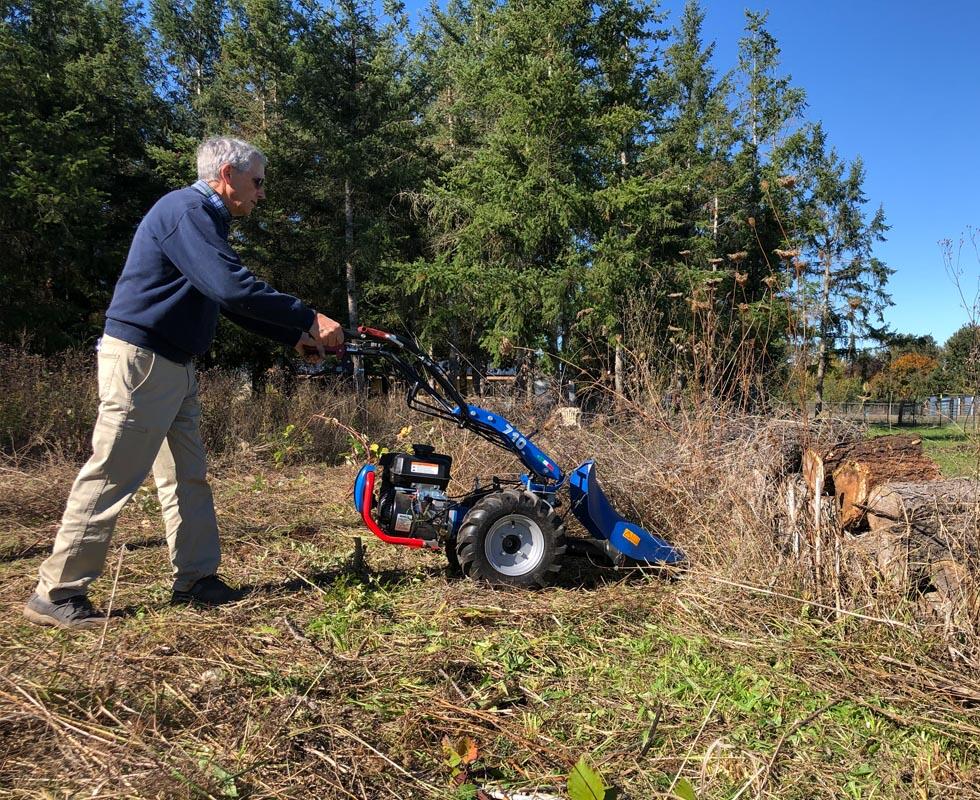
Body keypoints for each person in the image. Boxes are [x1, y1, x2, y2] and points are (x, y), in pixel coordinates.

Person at [23, 136, 342, 630]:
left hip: (173, 364)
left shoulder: (203, 220)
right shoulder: (186, 210)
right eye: (257, 182)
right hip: (143, 363)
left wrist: (292, 335)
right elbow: (231, 286)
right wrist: (308, 316)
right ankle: (57, 591)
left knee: (186, 476)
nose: (261, 193)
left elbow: (223, 298)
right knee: (112, 473)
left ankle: (196, 579)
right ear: (227, 175)